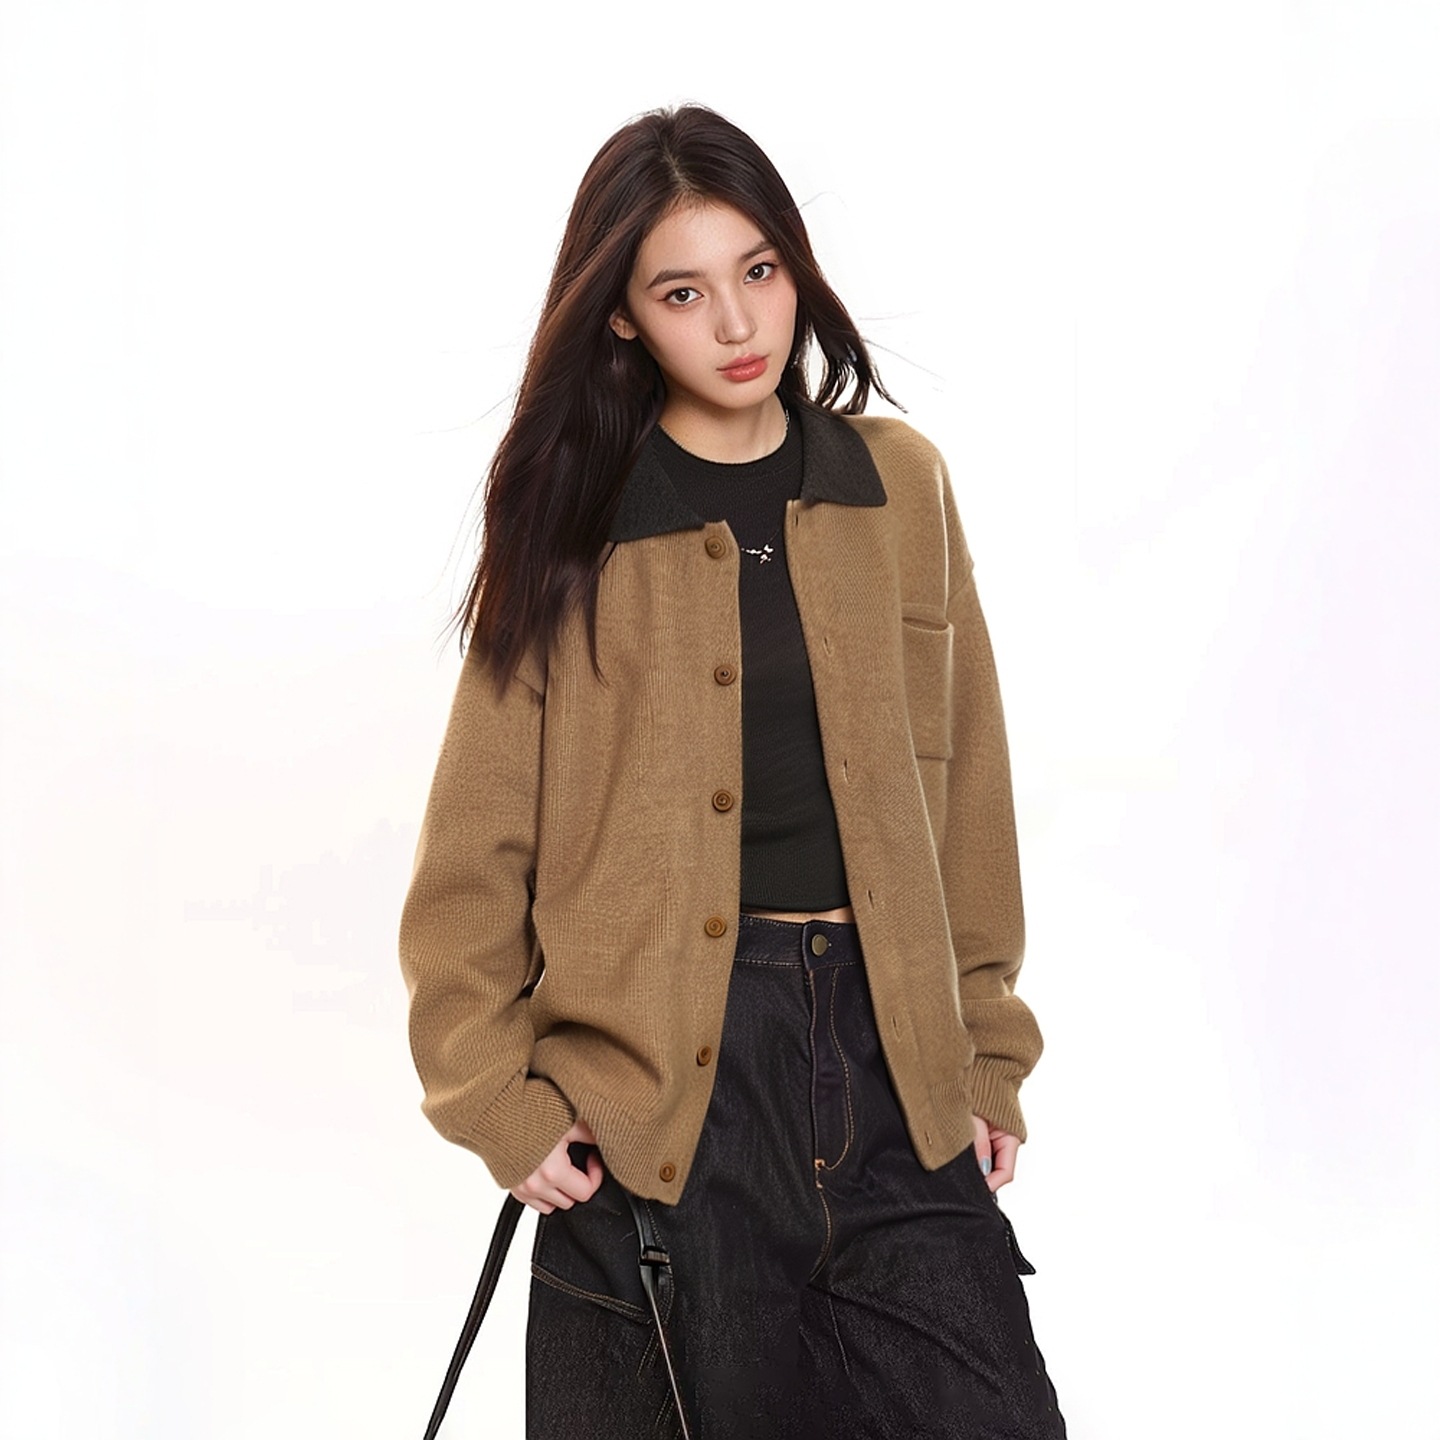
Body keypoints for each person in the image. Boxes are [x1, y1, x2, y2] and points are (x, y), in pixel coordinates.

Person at [399, 103, 1066, 1439]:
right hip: (662, 1098)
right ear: (623, 316)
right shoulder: (571, 525)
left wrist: (985, 1050)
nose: (739, 322)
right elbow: (474, 856)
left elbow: (966, 790)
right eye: (684, 291)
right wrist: (495, 1100)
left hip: (894, 1065)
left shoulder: (899, 486)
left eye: (759, 270)